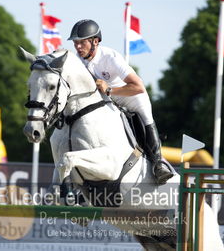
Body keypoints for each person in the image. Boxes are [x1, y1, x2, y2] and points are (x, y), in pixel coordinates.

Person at [68, 19, 174, 185]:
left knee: (146, 117)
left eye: (82, 43)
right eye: (76, 43)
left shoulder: (110, 57)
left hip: (130, 96)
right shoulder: (78, 60)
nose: (78, 47)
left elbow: (138, 86)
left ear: (95, 41)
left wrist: (109, 90)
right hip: (105, 101)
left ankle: (158, 163)